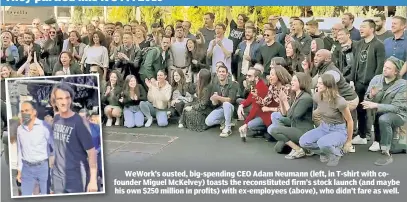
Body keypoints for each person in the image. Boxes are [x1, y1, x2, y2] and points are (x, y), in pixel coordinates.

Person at [51, 82, 98, 193]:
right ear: (55, 101)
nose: (64, 102)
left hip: (76, 177)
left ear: (71, 99)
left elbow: (91, 152)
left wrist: (93, 180)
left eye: (67, 98)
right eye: (60, 98)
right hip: (57, 176)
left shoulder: (79, 122)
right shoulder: (56, 119)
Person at [299, 74, 354, 167]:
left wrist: (349, 141)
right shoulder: (317, 97)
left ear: (328, 85)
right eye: (318, 83)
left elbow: (350, 121)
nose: (317, 85)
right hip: (324, 127)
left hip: (338, 130)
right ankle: (325, 152)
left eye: (320, 84)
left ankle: (336, 153)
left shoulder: (340, 101)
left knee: (322, 143)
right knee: (303, 141)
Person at [361, 57, 407, 165]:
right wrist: (371, 95)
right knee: (380, 116)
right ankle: (381, 142)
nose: (384, 69)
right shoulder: (376, 79)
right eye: (384, 67)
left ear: (396, 72)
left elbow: (397, 108)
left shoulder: (403, 85)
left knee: (384, 118)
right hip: (378, 112)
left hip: (399, 115)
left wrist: (376, 105)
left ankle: (386, 150)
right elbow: (366, 99)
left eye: (389, 68)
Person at [269, 72, 314, 158]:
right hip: (295, 128)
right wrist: (281, 100)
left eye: (294, 81)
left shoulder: (306, 98)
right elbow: (284, 114)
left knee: (274, 130)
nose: (292, 82)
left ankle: (299, 150)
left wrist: (285, 101)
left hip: (303, 131)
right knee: (278, 148)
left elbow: (293, 116)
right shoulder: (295, 96)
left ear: (301, 82)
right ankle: (303, 147)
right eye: (292, 80)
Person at [17, 101, 53, 195]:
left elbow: (53, 147)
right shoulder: (20, 129)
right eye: (22, 111)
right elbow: (20, 151)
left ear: (34, 112)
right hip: (26, 169)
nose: (24, 113)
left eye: (26, 110)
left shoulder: (44, 127)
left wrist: (52, 167)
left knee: (45, 195)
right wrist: (19, 171)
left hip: (43, 168)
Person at [205, 65, 239, 137]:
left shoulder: (233, 84)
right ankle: (225, 121)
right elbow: (215, 104)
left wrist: (218, 97)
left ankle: (228, 128)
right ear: (217, 74)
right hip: (221, 108)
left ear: (227, 74)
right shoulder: (215, 86)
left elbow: (230, 100)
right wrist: (214, 101)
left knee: (226, 104)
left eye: (223, 72)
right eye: (219, 72)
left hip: (231, 108)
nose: (221, 73)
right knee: (208, 122)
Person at [237, 67, 269, 142]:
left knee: (250, 125)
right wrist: (241, 106)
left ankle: (265, 129)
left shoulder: (261, 87)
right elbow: (249, 99)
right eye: (247, 75)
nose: (247, 77)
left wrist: (246, 124)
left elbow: (255, 107)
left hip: (266, 114)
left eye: (249, 76)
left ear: (256, 77)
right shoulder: (255, 84)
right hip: (260, 111)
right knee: (240, 102)